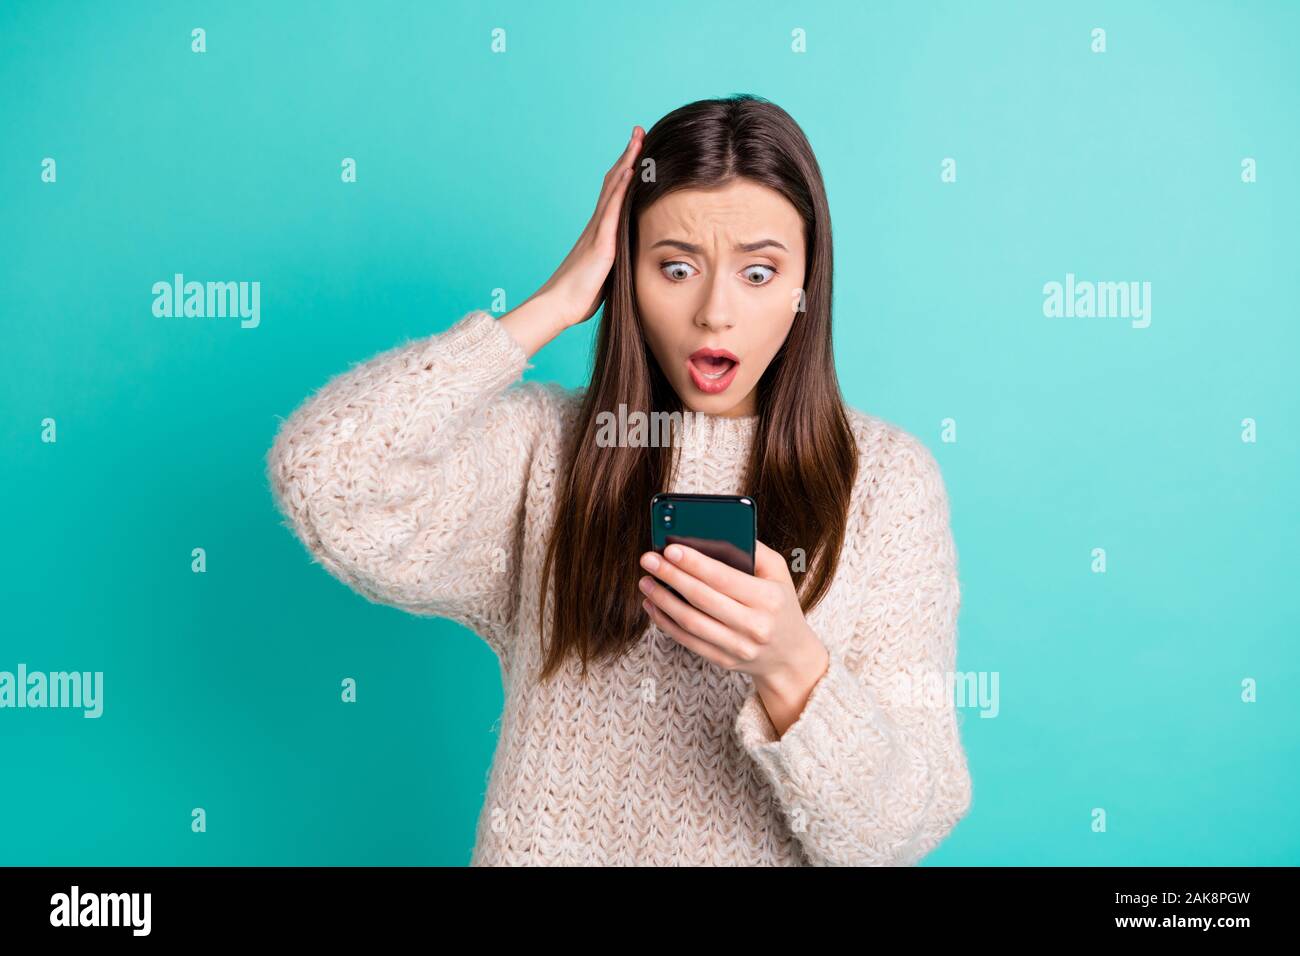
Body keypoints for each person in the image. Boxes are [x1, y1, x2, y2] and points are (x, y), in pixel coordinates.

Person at [266, 94, 972, 866]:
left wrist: (791, 666)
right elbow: (324, 471)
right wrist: (551, 305)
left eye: (760, 272)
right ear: (623, 274)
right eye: (674, 267)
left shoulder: (889, 486)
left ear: (809, 285)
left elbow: (897, 832)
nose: (714, 313)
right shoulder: (545, 455)